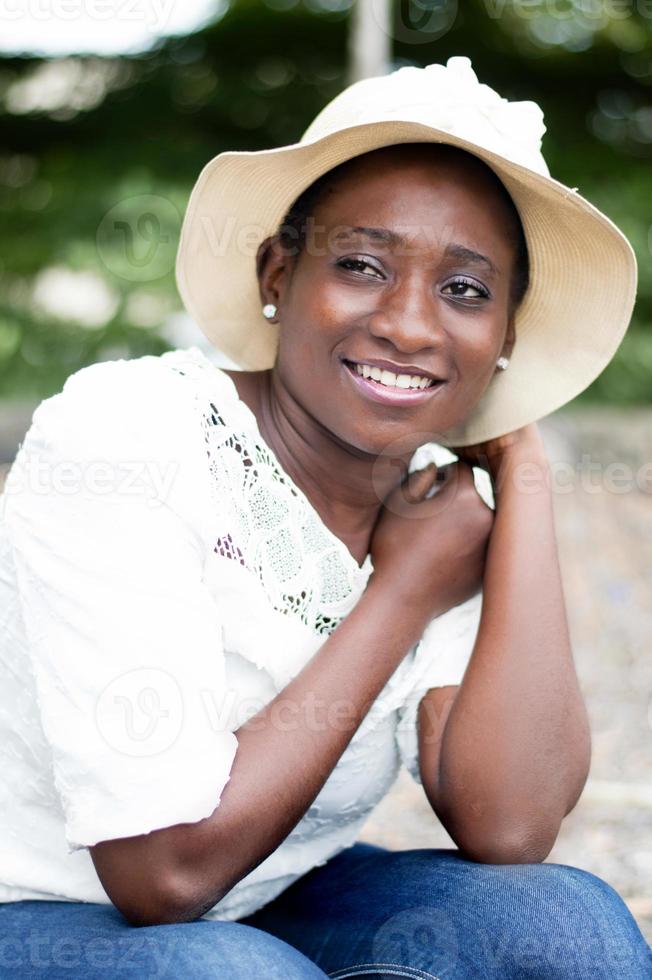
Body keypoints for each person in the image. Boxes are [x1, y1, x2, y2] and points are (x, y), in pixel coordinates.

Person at [0, 55, 649, 979]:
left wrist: (524, 473)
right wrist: (403, 593)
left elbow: (510, 824)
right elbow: (163, 871)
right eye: (361, 265)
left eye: (465, 290)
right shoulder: (128, 440)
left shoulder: (432, 499)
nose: (411, 326)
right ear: (278, 273)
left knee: (563, 926)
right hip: (37, 910)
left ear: (507, 338)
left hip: (271, 896)